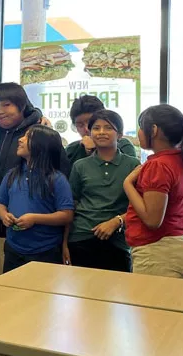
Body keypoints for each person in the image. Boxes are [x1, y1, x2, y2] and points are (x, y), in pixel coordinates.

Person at [0, 83, 71, 276]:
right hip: (7, 233)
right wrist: (1, 214)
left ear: (22, 105)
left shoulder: (41, 133)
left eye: (6, 105)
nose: (0, 112)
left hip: (45, 243)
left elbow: (65, 202)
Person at [124, 104, 183, 279]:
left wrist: (128, 184)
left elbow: (152, 220)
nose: (138, 133)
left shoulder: (158, 165)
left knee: (148, 307)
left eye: (141, 127)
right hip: (179, 245)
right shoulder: (179, 159)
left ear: (154, 130)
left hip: (160, 251)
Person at [64, 110, 140, 271]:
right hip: (81, 237)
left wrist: (117, 221)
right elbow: (71, 206)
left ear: (120, 134)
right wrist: (64, 244)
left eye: (108, 128)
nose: (101, 132)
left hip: (118, 240)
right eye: (96, 128)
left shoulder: (133, 165)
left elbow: (141, 206)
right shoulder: (80, 165)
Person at [0, 125, 74, 273]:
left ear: (42, 145)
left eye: (27, 137)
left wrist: (35, 218)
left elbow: (67, 215)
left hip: (46, 251)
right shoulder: (12, 175)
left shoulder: (57, 179)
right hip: (14, 249)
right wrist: (4, 216)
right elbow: (0, 204)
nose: (20, 140)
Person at [65, 95, 137, 165]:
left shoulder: (123, 145)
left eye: (91, 122)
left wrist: (97, 148)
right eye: (80, 125)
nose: (86, 129)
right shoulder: (71, 150)